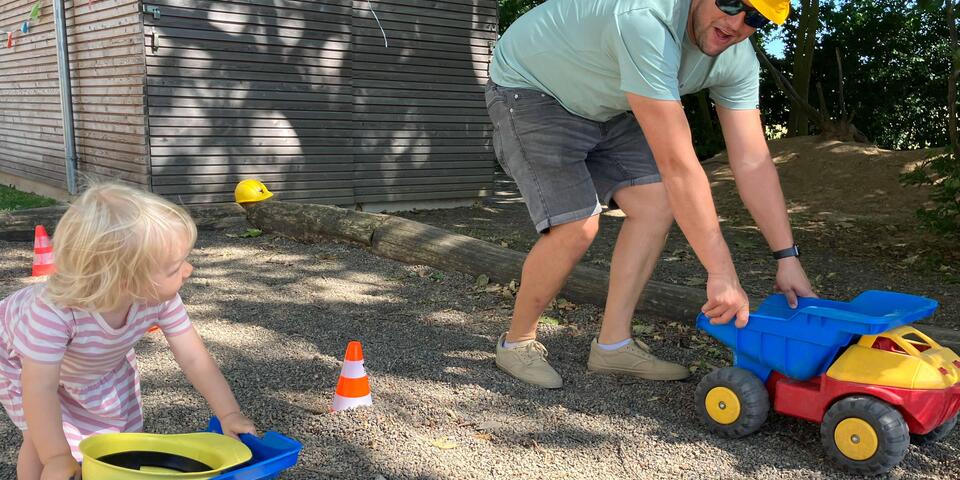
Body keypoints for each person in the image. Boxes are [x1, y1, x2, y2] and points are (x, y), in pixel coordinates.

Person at [486, 0, 816, 388]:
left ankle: (613, 345)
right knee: (577, 225)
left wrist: (787, 257)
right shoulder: (647, 20)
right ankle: (517, 342)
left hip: (606, 103)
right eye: (731, 2)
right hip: (531, 86)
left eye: (756, 17)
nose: (737, 22)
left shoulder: (737, 60)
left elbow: (753, 162)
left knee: (656, 204)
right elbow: (678, 163)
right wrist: (721, 272)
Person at [0, 183, 256, 479]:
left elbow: (194, 359)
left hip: (90, 361)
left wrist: (228, 413)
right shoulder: (53, 313)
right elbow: (39, 389)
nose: (189, 270)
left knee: (113, 429)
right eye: (175, 268)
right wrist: (56, 455)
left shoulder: (159, 297)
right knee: (40, 433)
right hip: (21, 362)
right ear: (127, 282)